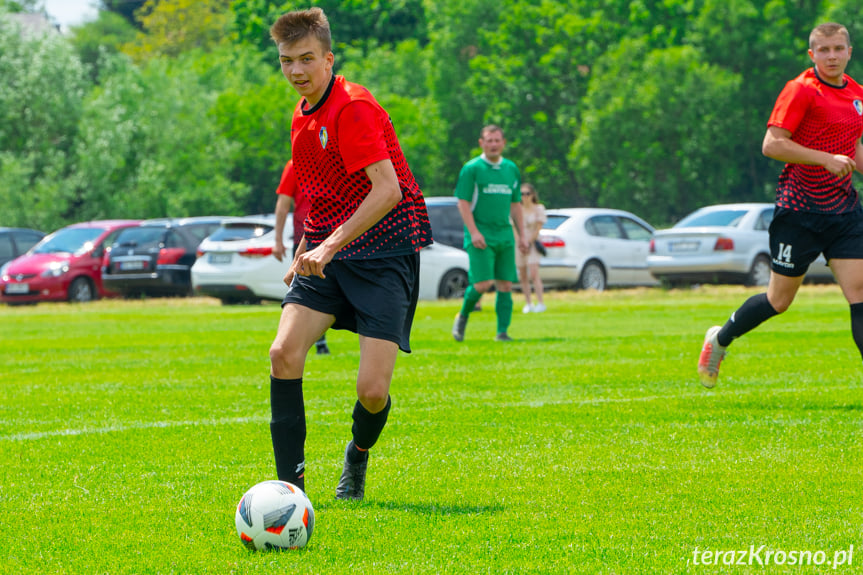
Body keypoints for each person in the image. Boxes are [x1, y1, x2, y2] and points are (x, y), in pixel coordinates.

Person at [267, 7, 432, 501]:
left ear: (328, 58)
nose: (296, 71)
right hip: (329, 255)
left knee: (372, 392)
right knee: (283, 354)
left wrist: (329, 245)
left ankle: (357, 456)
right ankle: (289, 494)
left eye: (306, 59)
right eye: (285, 61)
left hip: (383, 254)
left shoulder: (353, 107)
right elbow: (320, 193)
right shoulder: (300, 116)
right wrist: (303, 250)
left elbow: (386, 192)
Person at [698, 22, 863, 388]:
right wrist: (823, 159)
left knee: (860, 292)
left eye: (839, 48)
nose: (832, 56)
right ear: (812, 55)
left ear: (850, 51)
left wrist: (844, 160)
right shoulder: (801, 90)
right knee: (779, 300)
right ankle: (720, 339)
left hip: (844, 211)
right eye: (824, 50)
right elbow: (772, 144)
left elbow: (852, 148)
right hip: (800, 210)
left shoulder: (857, 95)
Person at [451, 125, 529, 342]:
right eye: (489, 140)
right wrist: (474, 232)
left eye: (497, 140)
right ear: (481, 143)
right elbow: (463, 203)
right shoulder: (472, 169)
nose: (493, 144)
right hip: (481, 234)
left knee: (505, 284)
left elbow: (516, 205)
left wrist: (522, 235)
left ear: (503, 143)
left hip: (504, 233)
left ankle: (502, 332)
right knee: (482, 285)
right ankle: (463, 314)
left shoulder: (511, 169)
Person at [274, 159, 329, 355]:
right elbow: (283, 203)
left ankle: (316, 340)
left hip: (324, 233)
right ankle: (316, 341)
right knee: (307, 287)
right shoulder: (296, 165)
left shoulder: (297, 164)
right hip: (308, 236)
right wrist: (278, 240)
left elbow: (283, 204)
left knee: (308, 289)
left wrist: (278, 240)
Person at [516, 183, 547, 313]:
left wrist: (528, 242)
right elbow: (514, 227)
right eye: (522, 194)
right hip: (519, 244)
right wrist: (520, 243)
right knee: (523, 275)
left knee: (534, 273)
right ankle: (528, 303)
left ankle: (540, 302)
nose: (525, 197)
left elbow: (538, 228)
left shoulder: (538, 208)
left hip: (533, 243)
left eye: (527, 194)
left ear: (532, 195)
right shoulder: (517, 209)